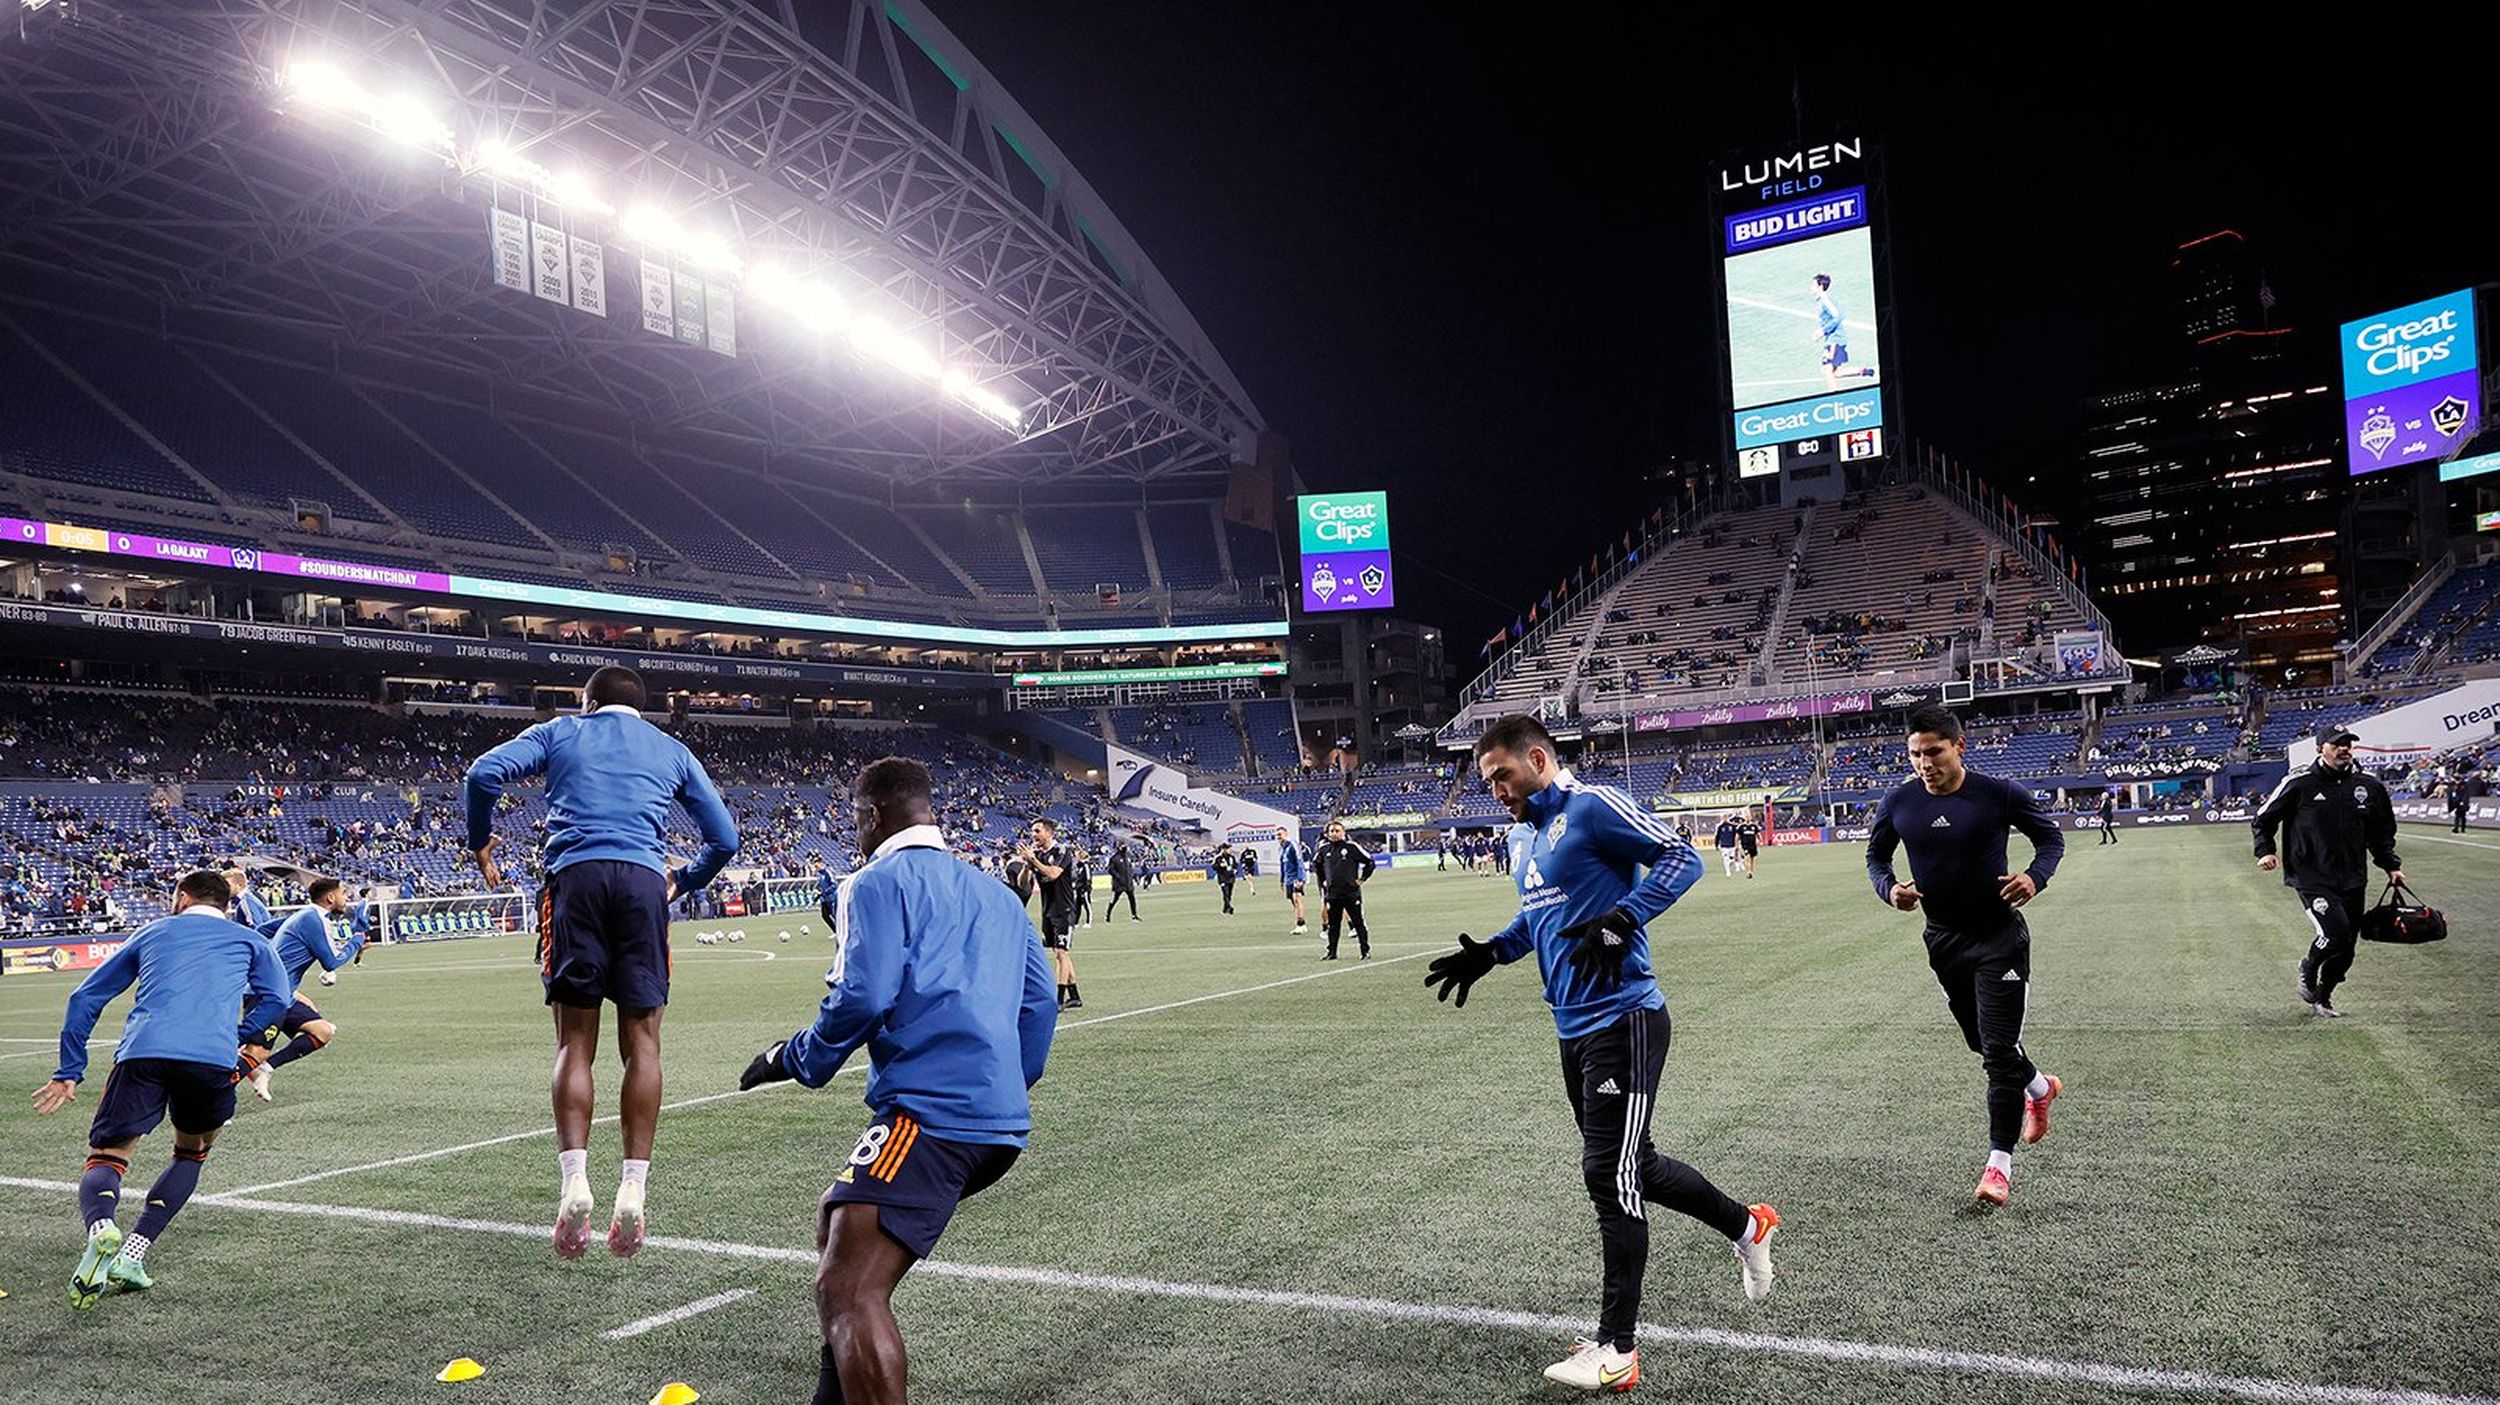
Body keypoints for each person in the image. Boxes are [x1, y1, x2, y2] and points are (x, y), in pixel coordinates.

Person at [1424, 715, 1776, 1392]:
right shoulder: (1524, 835)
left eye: (1502, 774)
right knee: (1633, 1166)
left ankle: (1618, 1348)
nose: (1495, 789)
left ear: (1537, 758)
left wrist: (1624, 917)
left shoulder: (1592, 806)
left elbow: (1682, 858)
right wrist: (1490, 953)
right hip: (1573, 1028)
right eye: (1488, 780)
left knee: (1606, 1174)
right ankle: (1747, 1225)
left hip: (1626, 1018)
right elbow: (1540, 919)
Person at [734, 756, 1057, 1405]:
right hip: (995, 1120)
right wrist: (1002, 1086)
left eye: (855, 821)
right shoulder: (997, 893)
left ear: (872, 816)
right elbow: (1040, 1002)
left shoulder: (872, 882)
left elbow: (862, 995)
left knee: (850, 1288)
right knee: (837, 1217)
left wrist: (794, 1057)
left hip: (932, 1114)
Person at [465, 665, 740, 1259]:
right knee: (643, 1042)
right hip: (643, 882)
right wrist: (684, 880)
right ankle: (634, 1187)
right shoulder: (671, 749)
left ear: (587, 702)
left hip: (576, 880)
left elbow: (482, 773)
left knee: (574, 1043)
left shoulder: (562, 732)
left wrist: (480, 840)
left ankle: (575, 1181)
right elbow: (725, 839)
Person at [32, 869, 291, 1307]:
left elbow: (85, 997)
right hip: (210, 1059)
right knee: (192, 1152)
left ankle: (101, 1228)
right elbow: (277, 1001)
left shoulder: (152, 932)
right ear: (225, 904)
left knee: (108, 1155)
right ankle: (133, 1254)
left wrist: (69, 1069)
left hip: (143, 1053)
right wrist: (236, 1034)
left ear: (183, 897)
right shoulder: (250, 941)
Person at [1864, 706, 2067, 1207]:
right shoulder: (1899, 801)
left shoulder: (1999, 794)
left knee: (1997, 1051)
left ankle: (1998, 1166)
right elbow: (1876, 857)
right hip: (1944, 941)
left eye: (1933, 751)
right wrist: (1889, 889)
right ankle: (2039, 1088)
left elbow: (2050, 839)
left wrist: (2034, 877)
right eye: (1915, 754)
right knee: (1982, 1043)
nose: (1924, 763)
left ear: (1959, 746)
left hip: (1999, 939)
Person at [2252, 724, 2403, 1019]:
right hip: (2311, 876)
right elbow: (2263, 818)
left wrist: (2391, 865)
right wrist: (2265, 851)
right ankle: (2308, 966)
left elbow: (2381, 831)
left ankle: (2324, 997)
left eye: (2347, 743)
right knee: (2335, 933)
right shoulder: (2299, 782)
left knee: (2347, 947)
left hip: (2353, 877)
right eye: (2336, 744)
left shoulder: (2369, 787)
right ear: (2320, 749)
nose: (2344, 748)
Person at [239, 876, 366, 1103]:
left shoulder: (304, 914)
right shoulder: (314, 919)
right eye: (344, 893)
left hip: (281, 993)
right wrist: (357, 940)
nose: (347, 898)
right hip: (267, 995)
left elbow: (262, 930)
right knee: (255, 1053)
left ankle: (265, 1069)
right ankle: (211, 1103)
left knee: (323, 1031)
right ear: (330, 897)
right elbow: (331, 961)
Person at [1017, 819, 1080, 1009]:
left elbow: (1053, 874)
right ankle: (1075, 996)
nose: (1033, 835)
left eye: (1037, 831)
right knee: (1060, 953)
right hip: (1048, 910)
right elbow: (1022, 884)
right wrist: (1027, 864)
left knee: (1061, 952)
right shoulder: (1036, 855)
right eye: (1032, 831)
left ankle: (1058, 999)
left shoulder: (1062, 851)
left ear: (1049, 832)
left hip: (1064, 909)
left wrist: (1034, 861)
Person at [1312, 821, 1374, 960]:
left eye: (1337, 831)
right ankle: (1332, 952)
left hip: (1351, 893)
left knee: (1358, 923)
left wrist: (1362, 878)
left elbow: (1370, 862)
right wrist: (1323, 881)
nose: (1334, 833)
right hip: (1333, 894)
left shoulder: (1351, 847)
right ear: (1327, 834)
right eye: (1332, 831)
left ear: (1343, 832)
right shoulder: (1324, 849)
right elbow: (1316, 865)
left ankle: (1365, 951)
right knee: (1333, 925)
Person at [1815, 272, 1876, 391]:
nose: (1811, 287)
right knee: (1836, 373)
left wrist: (1823, 331)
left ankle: (1834, 396)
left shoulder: (1825, 301)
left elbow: (1839, 316)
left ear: (1820, 286)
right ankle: (1865, 371)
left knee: (1827, 370)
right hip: (1831, 340)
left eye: (1813, 285)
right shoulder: (1821, 301)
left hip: (1835, 340)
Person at [1276, 827, 1308, 935]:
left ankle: (1300, 924)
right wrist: (1282, 881)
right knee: (1293, 902)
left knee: (1297, 899)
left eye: (1280, 834)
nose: (1278, 837)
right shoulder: (1281, 849)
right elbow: (1282, 866)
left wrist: (1301, 879)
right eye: (1277, 835)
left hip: (1296, 877)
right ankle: (1302, 923)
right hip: (1288, 879)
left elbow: (1299, 861)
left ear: (1286, 834)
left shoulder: (1293, 844)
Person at [1105, 841, 1141, 922]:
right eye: (1123, 846)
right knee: (1114, 900)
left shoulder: (1127, 857)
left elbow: (1130, 868)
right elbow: (1111, 870)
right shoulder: (1114, 858)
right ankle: (1108, 915)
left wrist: (1131, 877)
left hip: (1128, 883)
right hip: (1119, 884)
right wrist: (1118, 877)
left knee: (1132, 899)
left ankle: (1134, 915)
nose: (1125, 847)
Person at [1070, 845, 1094, 930]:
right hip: (1079, 888)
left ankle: (1088, 922)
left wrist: (1086, 888)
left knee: (1087, 905)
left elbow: (1088, 878)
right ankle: (1076, 922)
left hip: (1084, 889)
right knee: (1077, 906)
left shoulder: (1086, 866)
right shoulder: (1079, 866)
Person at [1212, 843, 1238, 915]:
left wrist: (1234, 870)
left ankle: (1225, 909)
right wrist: (1220, 866)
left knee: (1229, 894)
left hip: (1231, 878)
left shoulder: (1232, 857)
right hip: (1222, 878)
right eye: (1228, 849)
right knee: (1225, 893)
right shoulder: (1218, 858)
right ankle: (1229, 907)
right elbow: (1213, 866)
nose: (1230, 850)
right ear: (1224, 849)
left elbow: (1235, 865)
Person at [1734, 808, 1762, 877]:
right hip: (1745, 845)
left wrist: (1760, 841)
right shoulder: (1741, 826)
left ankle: (1751, 871)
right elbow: (1737, 836)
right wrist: (1736, 844)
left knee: (1752, 859)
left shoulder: (1754, 826)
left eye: (1749, 817)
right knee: (1747, 857)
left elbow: (1758, 834)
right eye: (1746, 817)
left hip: (1753, 844)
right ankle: (1748, 871)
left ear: (1751, 818)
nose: (1748, 818)